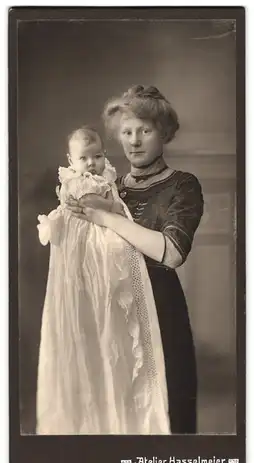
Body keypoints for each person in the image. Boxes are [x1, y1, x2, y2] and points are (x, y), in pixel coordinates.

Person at [67, 86, 204, 434]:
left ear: (164, 133)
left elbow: (171, 253)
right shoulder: (106, 188)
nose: (135, 141)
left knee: (167, 417)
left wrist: (108, 218)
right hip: (111, 312)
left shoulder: (183, 185)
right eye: (127, 132)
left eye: (145, 130)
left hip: (161, 312)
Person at [36, 126, 170, 435]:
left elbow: (116, 207)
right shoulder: (69, 182)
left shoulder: (107, 181)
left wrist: (108, 206)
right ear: (72, 160)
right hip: (78, 247)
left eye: (97, 156)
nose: (92, 163)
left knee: (115, 277)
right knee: (81, 302)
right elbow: (64, 209)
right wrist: (56, 221)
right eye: (85, 158)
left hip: (105, 242)